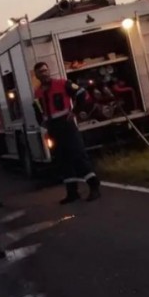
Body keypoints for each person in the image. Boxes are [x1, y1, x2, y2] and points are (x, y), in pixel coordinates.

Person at [33, 61, 101, 204]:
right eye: (41, 72)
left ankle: (94, 187)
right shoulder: (38, 92)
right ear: (37, 75)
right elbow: (38, 110)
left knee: (78, 155)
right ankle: (72, 192)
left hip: (67, 125)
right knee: (62, 160)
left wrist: (75, 111)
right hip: (53, 128)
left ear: (49, 71)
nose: (44, 73)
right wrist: (42, 122)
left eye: (45, 70)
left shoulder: (63, 84)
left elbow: (82, 94)